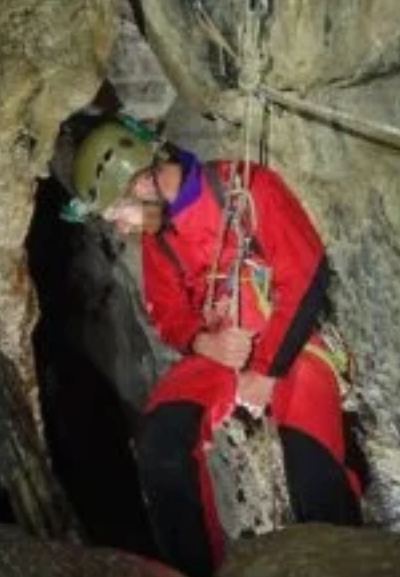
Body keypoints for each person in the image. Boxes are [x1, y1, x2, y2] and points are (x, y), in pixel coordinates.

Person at [61, 113, 367, 577]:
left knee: (313, 472)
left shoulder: (247, 191)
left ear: (142, 183)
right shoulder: (159, 239)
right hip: (224, 351)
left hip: (294, 348)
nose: (120, 228)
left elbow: (306, 276)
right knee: (163, 443)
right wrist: (203, 342)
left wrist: (265, 370)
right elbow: (166, 312)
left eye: (116, 214)